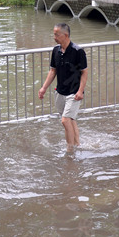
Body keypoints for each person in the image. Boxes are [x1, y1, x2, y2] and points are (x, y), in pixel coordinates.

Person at [38, 23, 89, 153]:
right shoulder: (56, 50)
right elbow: (53, 71)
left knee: (65, 121)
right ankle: (77, 144)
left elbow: (84, 72)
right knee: (70, 120)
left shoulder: (78, 51)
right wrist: (43, 88)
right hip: (60, 91)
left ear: (65, 35)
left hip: (74, 92)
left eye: (56, 34)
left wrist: (80, 91)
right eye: (54, 34)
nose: (54, 37)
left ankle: (69, 149)